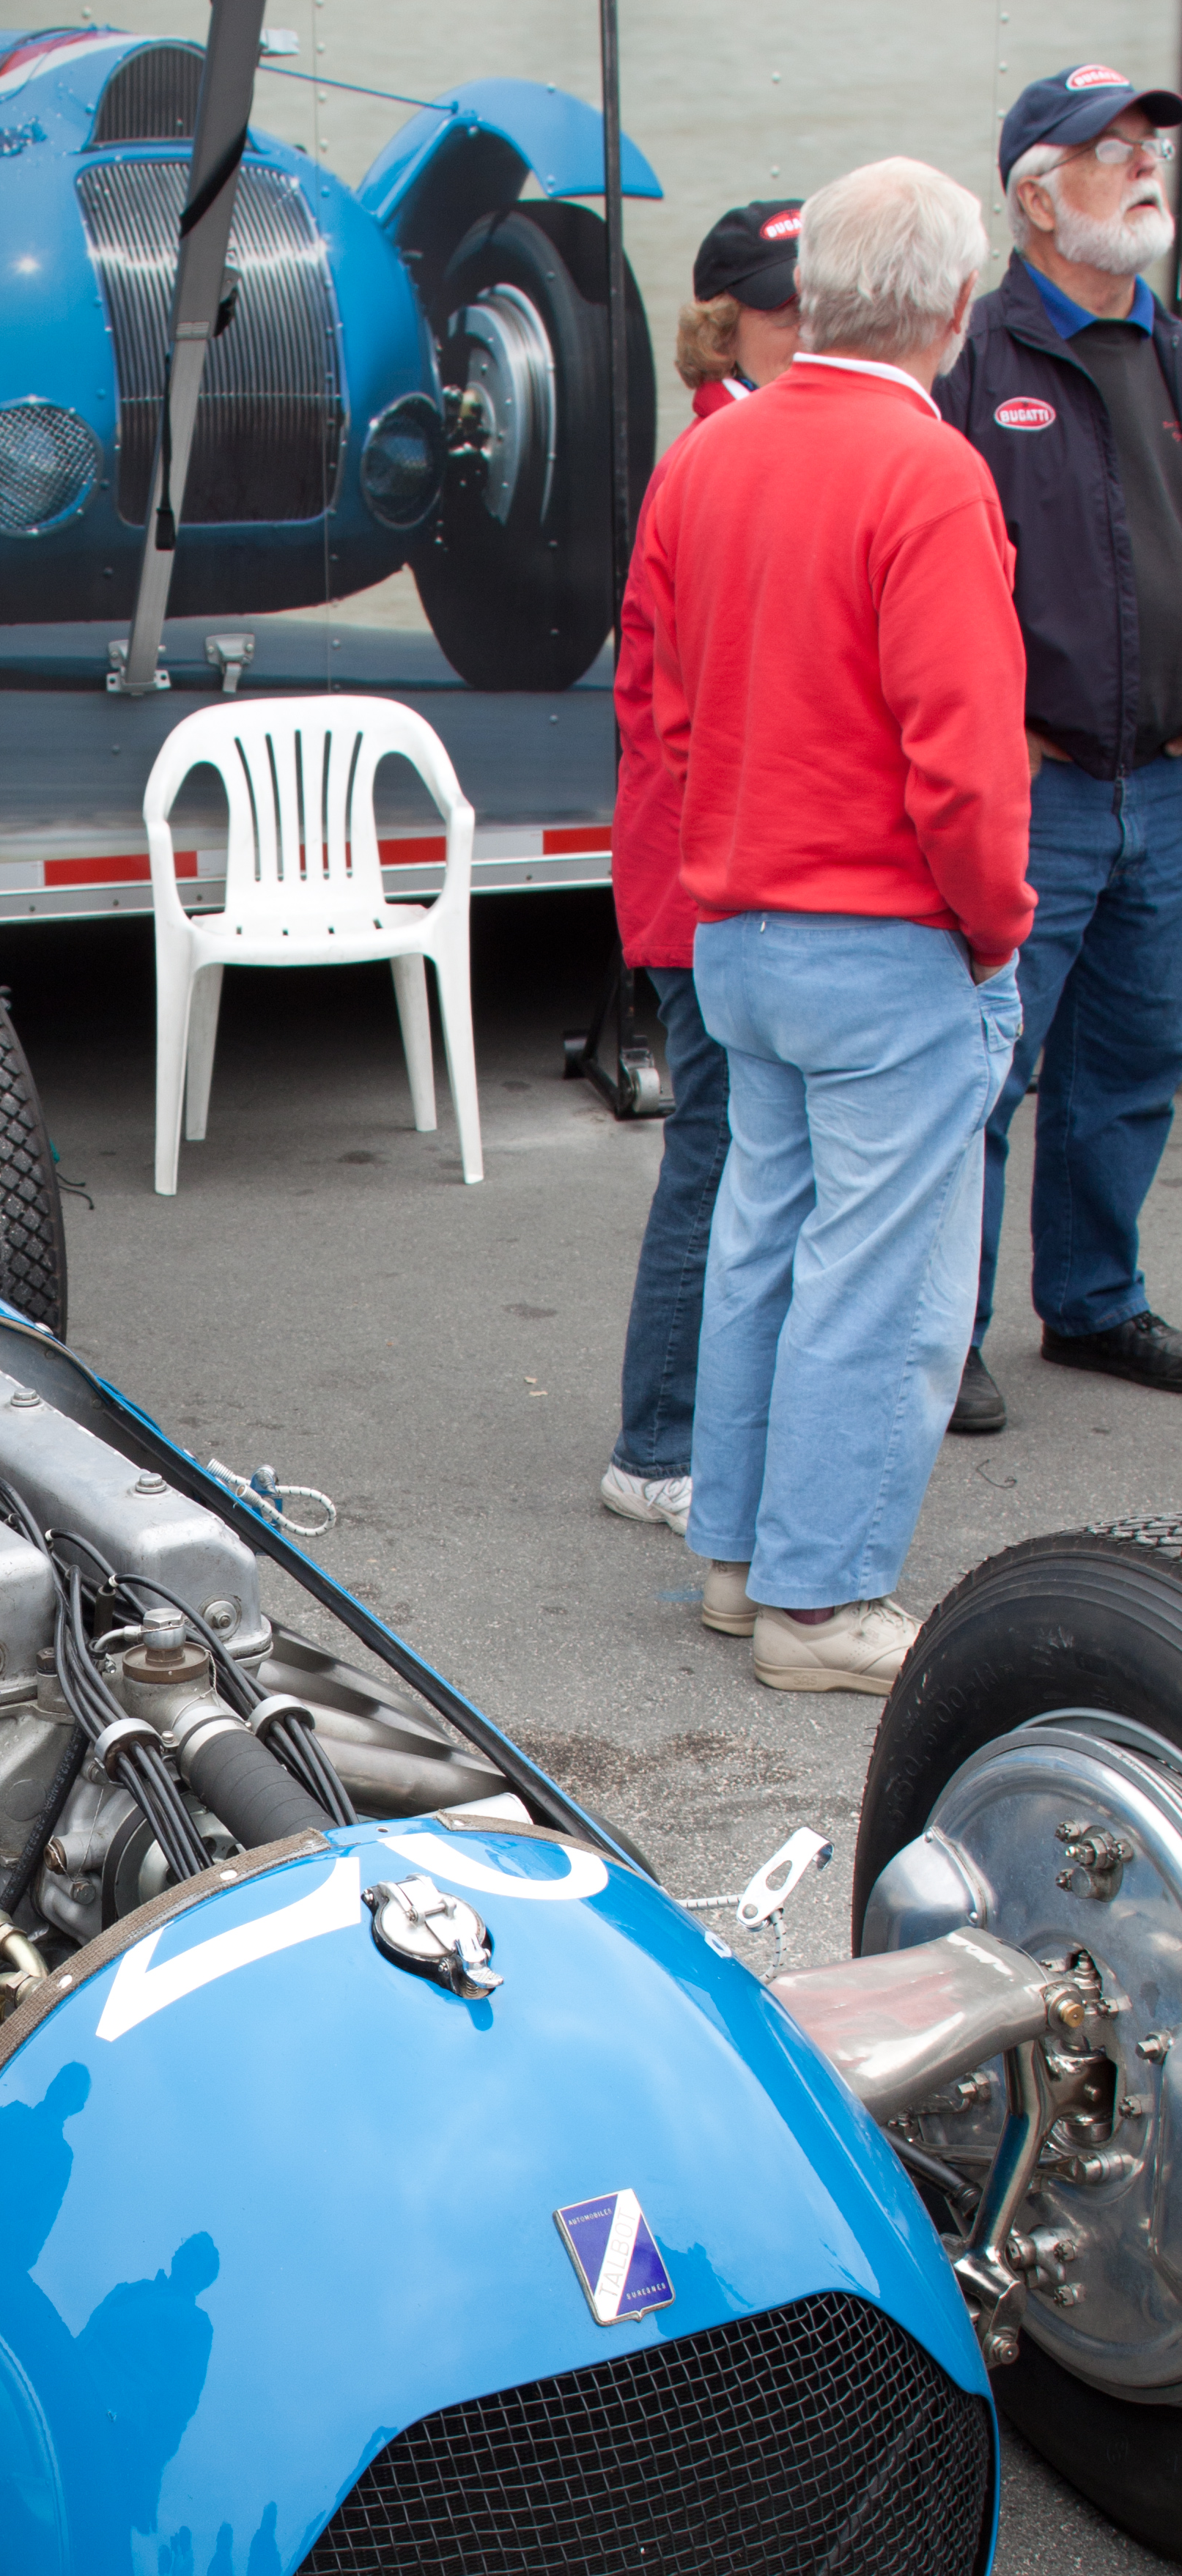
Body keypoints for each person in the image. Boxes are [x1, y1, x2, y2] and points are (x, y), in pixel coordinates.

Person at [640, 159, 1033, 1697]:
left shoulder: (715, 458)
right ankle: (825, 1605)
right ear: (955, 305)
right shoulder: (929, 474)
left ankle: (744, 1566)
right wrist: (993, 926)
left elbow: (672, 714)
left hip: (742, 926)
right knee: (890, 1283)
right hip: (888, 939)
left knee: (764, 1248)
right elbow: (966, 753)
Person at [936, 67, 1182, 1432]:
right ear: (1037, 194)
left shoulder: (1169, 346)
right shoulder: (975, 361)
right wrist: (988, 724)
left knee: (1133, 1058)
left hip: (1163, 777)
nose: (1146, 165)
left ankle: (1091, 1302)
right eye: (1112, 149)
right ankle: (947, 1327)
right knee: (987, 1068)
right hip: (1032, 786)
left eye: (1151, 144)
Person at [603, 199, 809, 1536]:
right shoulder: (729, 455)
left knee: (741, 1156)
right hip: (706, 876)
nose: (813, 325)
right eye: (789, 305)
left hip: (718, 867)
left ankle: (699, 1425)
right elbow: (683, 709)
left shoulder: (748, 444)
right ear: (726, 319)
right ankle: (659, 1441)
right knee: (723, 1157)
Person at [675, 197, 807, 421]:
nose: (820, 334)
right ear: (720, 334)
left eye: (835, 310)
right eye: (792, 310)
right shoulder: (708, 454)